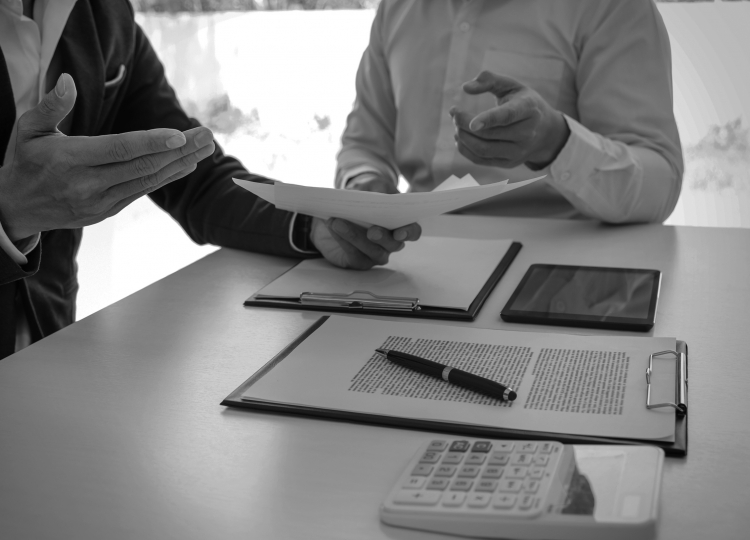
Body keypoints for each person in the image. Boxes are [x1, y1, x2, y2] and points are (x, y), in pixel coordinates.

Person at [0, 0, 420, 359]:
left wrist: (313, 223)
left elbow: (195, 178)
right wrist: (9, 213)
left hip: (48, 351)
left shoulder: (103, 13)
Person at [336, 0, 684, 224]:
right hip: (410, 262)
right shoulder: (396, 10)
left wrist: (557, 143)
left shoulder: (612, 7)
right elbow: (363, 146)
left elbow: (660, 184)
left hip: (560, 273)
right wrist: (364, 186)